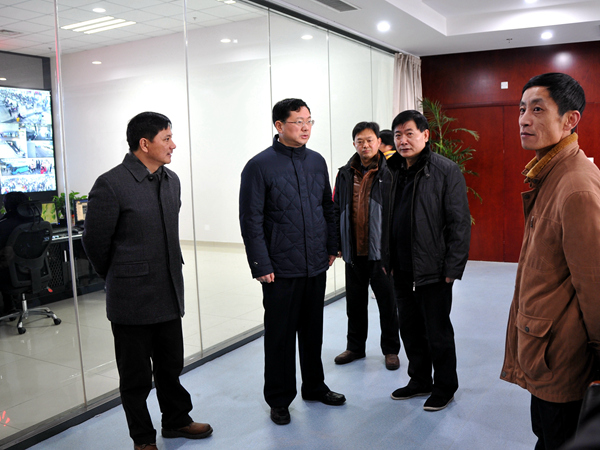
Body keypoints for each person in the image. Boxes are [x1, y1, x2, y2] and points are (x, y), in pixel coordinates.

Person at [82, 112, 212, 450]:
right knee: (136, 376)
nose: (173, 145)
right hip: (131, 298)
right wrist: (118, 274)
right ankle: (142, 439)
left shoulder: (171, 180)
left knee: (170, 366)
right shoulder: (111, 184)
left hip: (168, 291)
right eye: (166, 138)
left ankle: (177, 421)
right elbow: (94, 242)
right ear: (144, 143)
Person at [500, 72, 600, 450]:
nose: (524, 119)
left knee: (557, 439)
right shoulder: (551, 173)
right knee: (546, 435)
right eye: (522, 109)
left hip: (561, 355)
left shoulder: (575, 187)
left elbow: (594, 285)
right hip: (545, 349)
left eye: (538, 109)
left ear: (570, 120)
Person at [239, 98, 345, 426]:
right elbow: (251, 219)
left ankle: (314, 387)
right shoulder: (259, 166)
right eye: (298, 121)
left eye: (309, 121)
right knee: (280, 337)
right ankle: (279, 399)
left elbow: (327, 207)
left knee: (313, 332)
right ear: (279, 125)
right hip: (280, 269)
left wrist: (332, 246)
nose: (305, 127)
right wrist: (261, 264)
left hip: (315, 263)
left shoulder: (316, 161)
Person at [388, 110, 471, 412]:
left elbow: (459, 222)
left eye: (409, 133)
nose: (403, 140)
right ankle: (420, 380)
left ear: (425, 135)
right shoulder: (392, 170)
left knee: (437, 332)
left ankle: (445, 386)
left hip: (433, 268)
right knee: (410, 329)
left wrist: (453, 267)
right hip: (400, 267)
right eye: (398, 135)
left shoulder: (445, 170)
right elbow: (384, 218)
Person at [332, 121, 400, 370]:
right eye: (360, 141)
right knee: (355, 304)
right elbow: (336, 209)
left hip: (381, 252)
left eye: (370, 140)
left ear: (378, 142)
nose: (365, 145)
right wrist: (337, 243)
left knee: (387, 304)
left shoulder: (391, 172)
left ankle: (391, 350)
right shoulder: (344, 173)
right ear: (354, 144)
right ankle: (355, 348)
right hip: (353, 251)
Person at [0, 192, 36, 314]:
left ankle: (9, 306)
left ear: (7, 207)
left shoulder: (3, 225)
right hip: (36, 271)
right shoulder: (37, 221)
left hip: (11, 274)